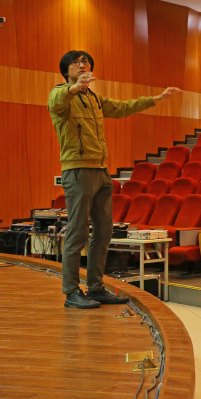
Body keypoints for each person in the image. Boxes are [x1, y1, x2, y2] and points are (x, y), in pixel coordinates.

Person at [48, 50, 182, 309]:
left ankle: (96, 287)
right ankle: (71, 292)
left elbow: (123, 108)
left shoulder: (94, 99)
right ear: (66, 70)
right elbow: (56, 103)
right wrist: (74, 87)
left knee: (104, 231)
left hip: (101, 171)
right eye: (76, 63)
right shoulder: (60, 93)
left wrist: (157, 98)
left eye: (85, 62)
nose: (82, 65)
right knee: (77, 232)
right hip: (78, 171)